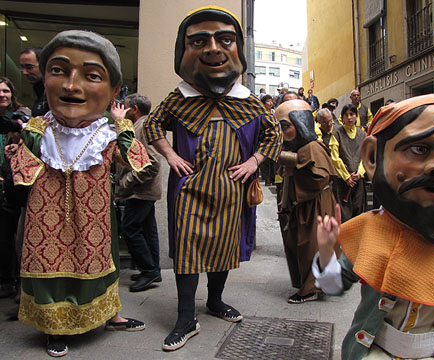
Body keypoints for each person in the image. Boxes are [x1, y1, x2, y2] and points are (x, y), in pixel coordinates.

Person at [144, 6, 282, 351]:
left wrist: (254, 161)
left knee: (224, 249)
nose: (213, 49)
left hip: (231, 190)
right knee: (189, 251)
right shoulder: (178, 99)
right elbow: (152, 125)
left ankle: (215, 301)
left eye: (225, 39)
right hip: (189, 190)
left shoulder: (249, 101)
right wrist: (171, 155)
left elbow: (274, 135)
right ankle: (185, 317)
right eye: (199, 41)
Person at [9, 30, 150, 357]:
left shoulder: (106, 133)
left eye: (91, 76)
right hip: (47, 217)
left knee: (101, 263)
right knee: (49, 265)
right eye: (58, 71)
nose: (72, 86)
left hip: (95, 219)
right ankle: (54, 327)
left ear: (114, 91)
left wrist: (122, 124)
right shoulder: (37, 129)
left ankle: (111, 315)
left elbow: (137, 160)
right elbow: (21, 171)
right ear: (44, 80)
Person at [314, 94, 434, 359]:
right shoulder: (369, 232)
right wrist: (326, 253)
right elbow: (334, 286)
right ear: (371, 158)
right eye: (420, 148)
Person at [275, 100, 336, 304]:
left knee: (311, 246)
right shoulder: (302, 147)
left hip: (315, 205)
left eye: (285, 127)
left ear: (300, 124)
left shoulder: (312, 147)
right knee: (304, 245)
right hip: (305, 205)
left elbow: (320, 178)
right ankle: (313, 284)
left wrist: (295, 171)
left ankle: (310, 289)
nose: (282, 133)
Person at [114, 93, 163, 292]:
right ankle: (152, 270)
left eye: (124, 107)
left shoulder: (140, 127)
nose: (121, 111)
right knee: (147, 229)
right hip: (142, 190)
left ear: (134, 109)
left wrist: (127, 182)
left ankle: (149, 270)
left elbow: (152, 163)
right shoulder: (143, 125)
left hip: (140, 190)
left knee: (130, 228)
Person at [0, 77, 30, 300]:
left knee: (19, 235)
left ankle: (19, 283)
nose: (2, 94)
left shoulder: (21, 117)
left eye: (5, 90)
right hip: (8, 180)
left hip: (18, 184)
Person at [329, 104, 366, 222]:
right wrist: (346, 177)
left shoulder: (362, 134)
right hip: (342, 181)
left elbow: (366, 156)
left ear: (356, 116)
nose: (349, 117)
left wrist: (359, 173)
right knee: (343, 214)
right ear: (342, 117)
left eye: (352, 114)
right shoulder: (337, 134)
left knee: (358, 211)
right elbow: (335, 157)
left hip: (358, 180)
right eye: (346, 115)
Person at [19, 47, 49, 117]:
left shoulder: (54, 93)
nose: (24, 72)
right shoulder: (40, 92)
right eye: (22, 68)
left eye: (29, 67)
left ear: (44, 65)